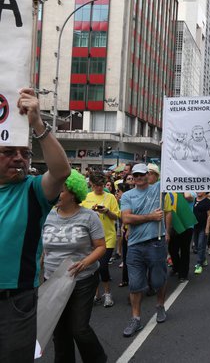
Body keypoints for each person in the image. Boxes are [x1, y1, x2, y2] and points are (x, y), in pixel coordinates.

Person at [0, 88, 70, 362]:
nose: (19, 158)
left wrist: (38, 124)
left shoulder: (32, 190)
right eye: (9, 152)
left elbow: (61, 171)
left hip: (15, 301)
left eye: (25, 153)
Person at [42, 170, 107, 362]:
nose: (55, 194)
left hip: (82, 280)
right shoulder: (47, 215)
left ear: (73, 193)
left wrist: (85, 262)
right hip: (53, 280)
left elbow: (101, 247)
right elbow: (42, 250)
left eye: (60, 190)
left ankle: (97, 359)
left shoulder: (89, 217)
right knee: (59, 331)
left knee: (79, 328)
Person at [120, 164, 170, 337]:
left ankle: (160, 305)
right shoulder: (127, 195)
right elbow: (126, 217)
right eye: (136, 175)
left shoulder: (158, 189)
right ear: (132, 177)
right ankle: (136, 318)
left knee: (158, 280)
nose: (139, 177)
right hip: (134, 246)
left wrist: (168, 145)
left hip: (156, 243)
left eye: (142, 174)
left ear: (148, 175)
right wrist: (151, 217)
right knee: (134, 284)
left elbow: (172, 169)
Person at [81, 171, 120, 308]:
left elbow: (117, 216)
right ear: (91, 184)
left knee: (103, 266)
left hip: (107, 237)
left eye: (102, 185)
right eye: (97, 185)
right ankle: (95, 294)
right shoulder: (86, 197)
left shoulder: (110, 197)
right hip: (90, 238)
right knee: (93, 267)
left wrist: (107, 211)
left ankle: (107, 294)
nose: (99, 187)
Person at [165, 192, 197, 281]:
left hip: (186, 225)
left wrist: (181, 187)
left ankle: (183, 274)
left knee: (184, 250)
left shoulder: (191, 191)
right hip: (173, 225)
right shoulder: (170, 192)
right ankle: (177, 267)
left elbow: (187, 196)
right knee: (172, 249)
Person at [192, 192, 210, 274]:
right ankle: (203, 259)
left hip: (203, 227)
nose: (198, 191)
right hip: (195, 227)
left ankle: (199, 264)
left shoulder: (208, 202)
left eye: (201, 189)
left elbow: (209, 215)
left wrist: (207, 228)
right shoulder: (194, 200)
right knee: (197, 245)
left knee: (201, 245)